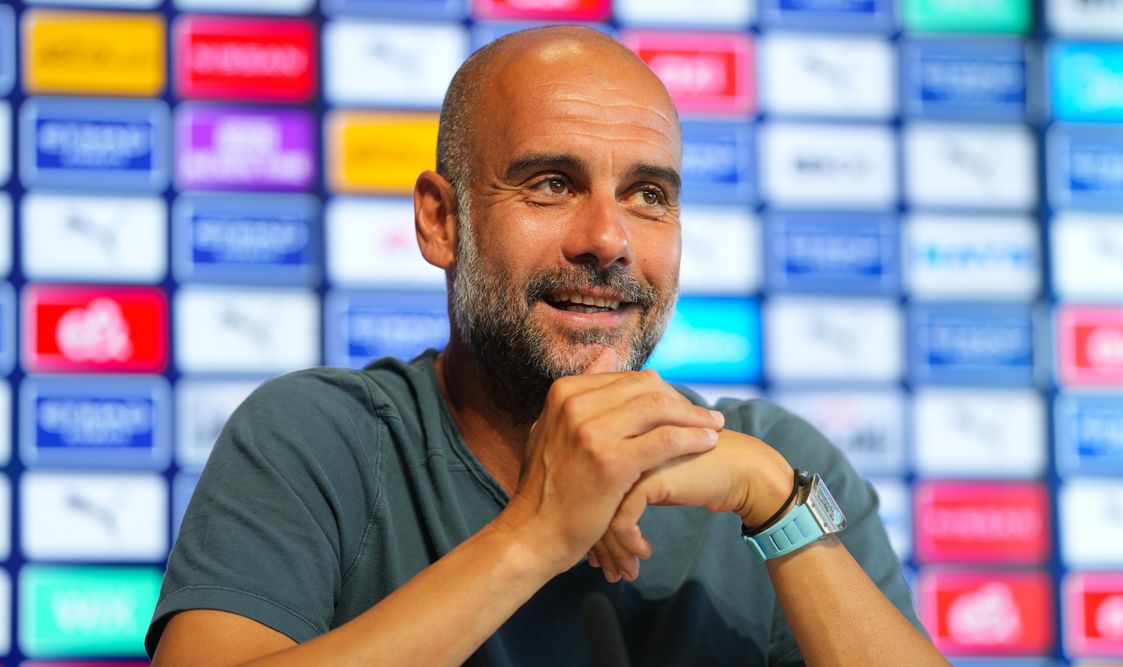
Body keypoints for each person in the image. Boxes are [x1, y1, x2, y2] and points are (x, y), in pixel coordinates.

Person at [147, 26, 948, 666]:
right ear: (441, 220)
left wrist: (777, 505)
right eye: (552, 183)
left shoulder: (773, 461)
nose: (608, 239)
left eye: (648, 195)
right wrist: (535, 532)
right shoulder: (318, 438)